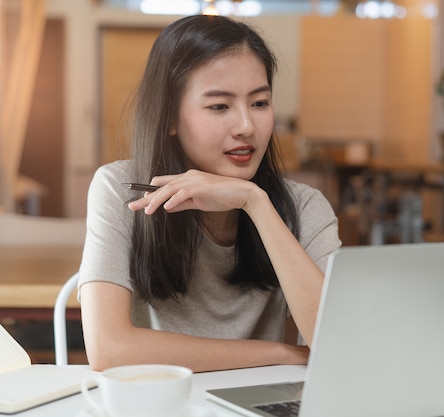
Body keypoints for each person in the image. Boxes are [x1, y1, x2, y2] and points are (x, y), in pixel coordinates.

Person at [78, 14, 341, 372]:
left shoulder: (304, 205)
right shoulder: (120, 188)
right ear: (169, 117)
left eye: (259, 103)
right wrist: (280, 353)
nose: (246, 126)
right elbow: (109, 350)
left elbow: (337, 341)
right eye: (219, 106)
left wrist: (255, 202)